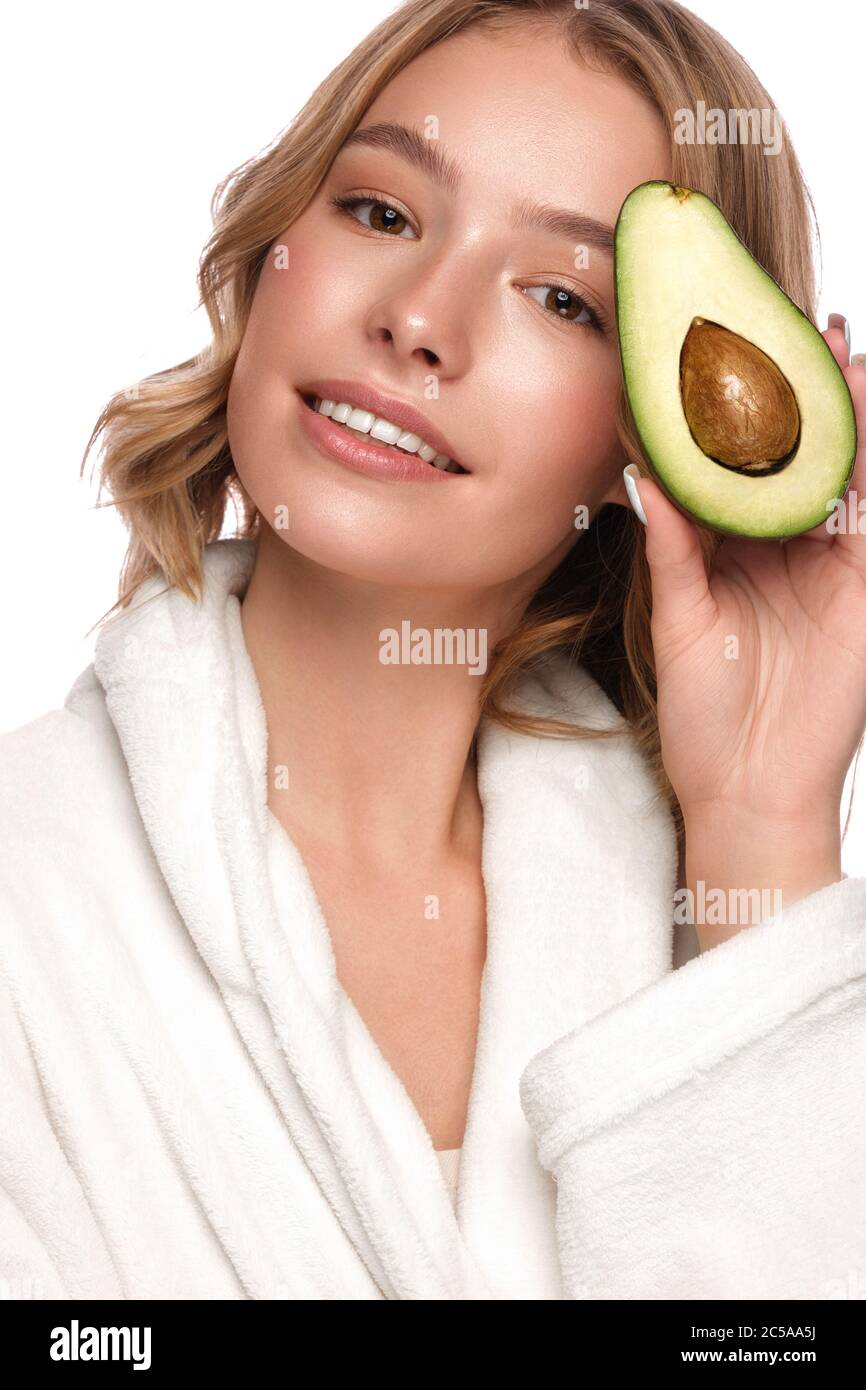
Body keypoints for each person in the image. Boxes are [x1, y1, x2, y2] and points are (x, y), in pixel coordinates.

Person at [2, 0, 865, 1301]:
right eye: (382, 213)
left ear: (667, 427)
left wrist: (762, 822)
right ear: (271, 249)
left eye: (563, 297)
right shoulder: (31, 892)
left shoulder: (717, 916)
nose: (418, 319)